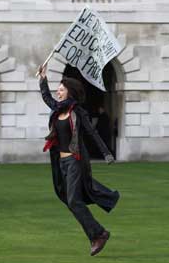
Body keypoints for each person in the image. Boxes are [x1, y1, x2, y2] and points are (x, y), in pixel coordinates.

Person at [38, 65, 120, 257]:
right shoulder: (57, 109)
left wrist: (106, 153)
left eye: (60, 89)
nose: (57, 91)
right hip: (61, 163)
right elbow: (46, 98)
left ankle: (98, 234)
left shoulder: (78, 112)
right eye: (57, 88)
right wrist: (43, 79)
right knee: (68, 199)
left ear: (69, 91)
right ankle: (98, 233)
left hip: (76, 161)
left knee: (74, 200)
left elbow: (92, 133)